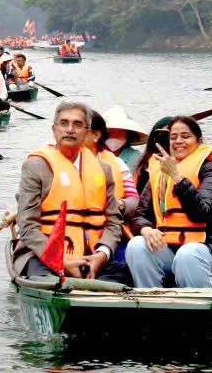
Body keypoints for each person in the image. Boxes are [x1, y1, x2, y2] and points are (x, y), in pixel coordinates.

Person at [12, 100, 127, 284]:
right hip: (42, 256)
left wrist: (101, 255)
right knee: (50, 283)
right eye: (64, 123)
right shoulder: (35, 166)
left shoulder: (103, 169)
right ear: (54, 129)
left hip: (91, 257)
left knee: (121, 277)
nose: (70, 129)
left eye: (77, 124)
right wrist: (62, 262)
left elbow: (114, 222)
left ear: (87, 133)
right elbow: (27, 226)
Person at [126, 115, 212, 288]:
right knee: (137, 245)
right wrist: (146, 229)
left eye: (186, 136)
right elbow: (140, 215)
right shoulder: (159, 173)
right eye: (173, 137)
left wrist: (178, 177)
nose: (178, 141)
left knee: (188, 254)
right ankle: (151, 302)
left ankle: (199, 310)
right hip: (172, 251)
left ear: (199, 141)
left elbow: (201, 213)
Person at [85, 109, 139, 264]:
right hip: (69, 233)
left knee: (126, 261)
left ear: (97, 135)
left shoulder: (116, 163)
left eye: (81, 127)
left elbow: (134, 202)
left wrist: (119, 204)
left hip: (110, 231)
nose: (72, 132)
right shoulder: (58, 161)